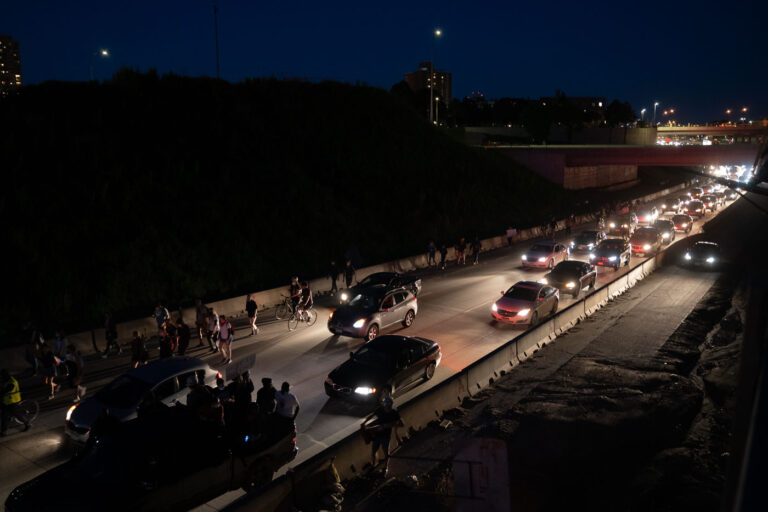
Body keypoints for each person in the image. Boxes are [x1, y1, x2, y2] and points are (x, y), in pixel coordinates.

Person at [363, 397, 403, 476]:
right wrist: (365, 422)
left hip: (386, 436)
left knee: (386, 453)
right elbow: (372, 415)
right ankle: (374, 464)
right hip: (377, 434)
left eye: (388, 405)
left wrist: (388, 425)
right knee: (374, 451)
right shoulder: (380, 410)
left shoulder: (394, 413)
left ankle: (385, 468)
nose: (386, 406)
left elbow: (401, 423)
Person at [1, 369, 30, 435]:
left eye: (2, 376)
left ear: (5, 376)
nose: (1, 377)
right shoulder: (7, 379)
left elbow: (4, 391)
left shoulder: (12, 383)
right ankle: (3, 431)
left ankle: (28, 424)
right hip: (7, 402)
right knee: (4, 416)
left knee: (17, 415)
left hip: (13, 401)